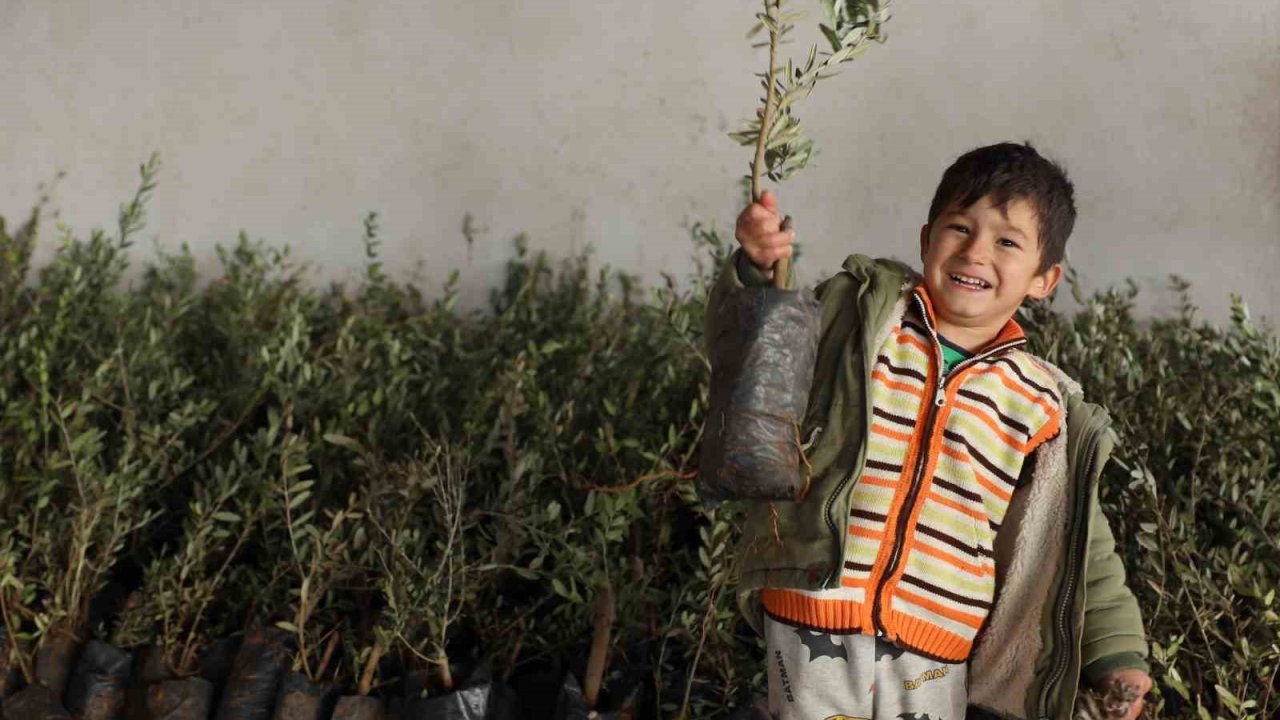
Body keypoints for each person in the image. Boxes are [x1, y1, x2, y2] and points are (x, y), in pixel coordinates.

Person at [710, 142, 1151, 719]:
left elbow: (1079, 541)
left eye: (1007, 242)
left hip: (937, 645)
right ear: (925, 240)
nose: (975, 252)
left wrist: (1119, 653)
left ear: (1045, 278)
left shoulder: (1041, 402)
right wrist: (759, 271)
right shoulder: (864, 321)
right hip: (813, 607)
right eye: (959, 228)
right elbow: (760, 359)